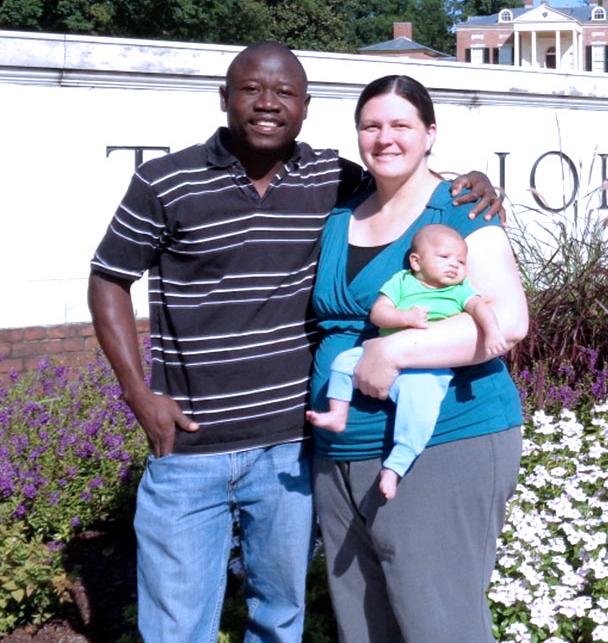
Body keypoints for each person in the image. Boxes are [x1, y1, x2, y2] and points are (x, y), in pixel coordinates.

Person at [87, 42, 501, 642]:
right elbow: (108, 278)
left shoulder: (331, 178)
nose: (267, 103)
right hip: (188, 448)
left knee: (280, 621)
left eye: (284, 93)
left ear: (305, 107)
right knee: (175, 628)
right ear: (224, 97)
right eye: (252, 89)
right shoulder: (165, 182)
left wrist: (474, 183)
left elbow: (406, 177)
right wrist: (136, 392)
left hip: (288, 449)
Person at [308, 74, 527, 642]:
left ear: (430, 134)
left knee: (439, 626)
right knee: (363, 628)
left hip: (444, 444)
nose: (385, 138)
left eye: (401, 125)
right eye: (371, 126)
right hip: (339, 454)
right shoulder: (339, 217)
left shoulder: (460, 209)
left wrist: (395, 349)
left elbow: (507, 320)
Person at [306, 223, 509, 500]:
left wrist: (493, 331)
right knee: (342, 363)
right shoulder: (402, 281)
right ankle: (338, 413)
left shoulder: (459, 290)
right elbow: (379, 313)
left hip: (426, 366)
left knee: (419, 407)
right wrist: (405, 319)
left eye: (461, 261)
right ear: (416, 261)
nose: (454, 265)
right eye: (444, 257)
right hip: (378, 350)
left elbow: (481, 308)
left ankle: (396, 464)